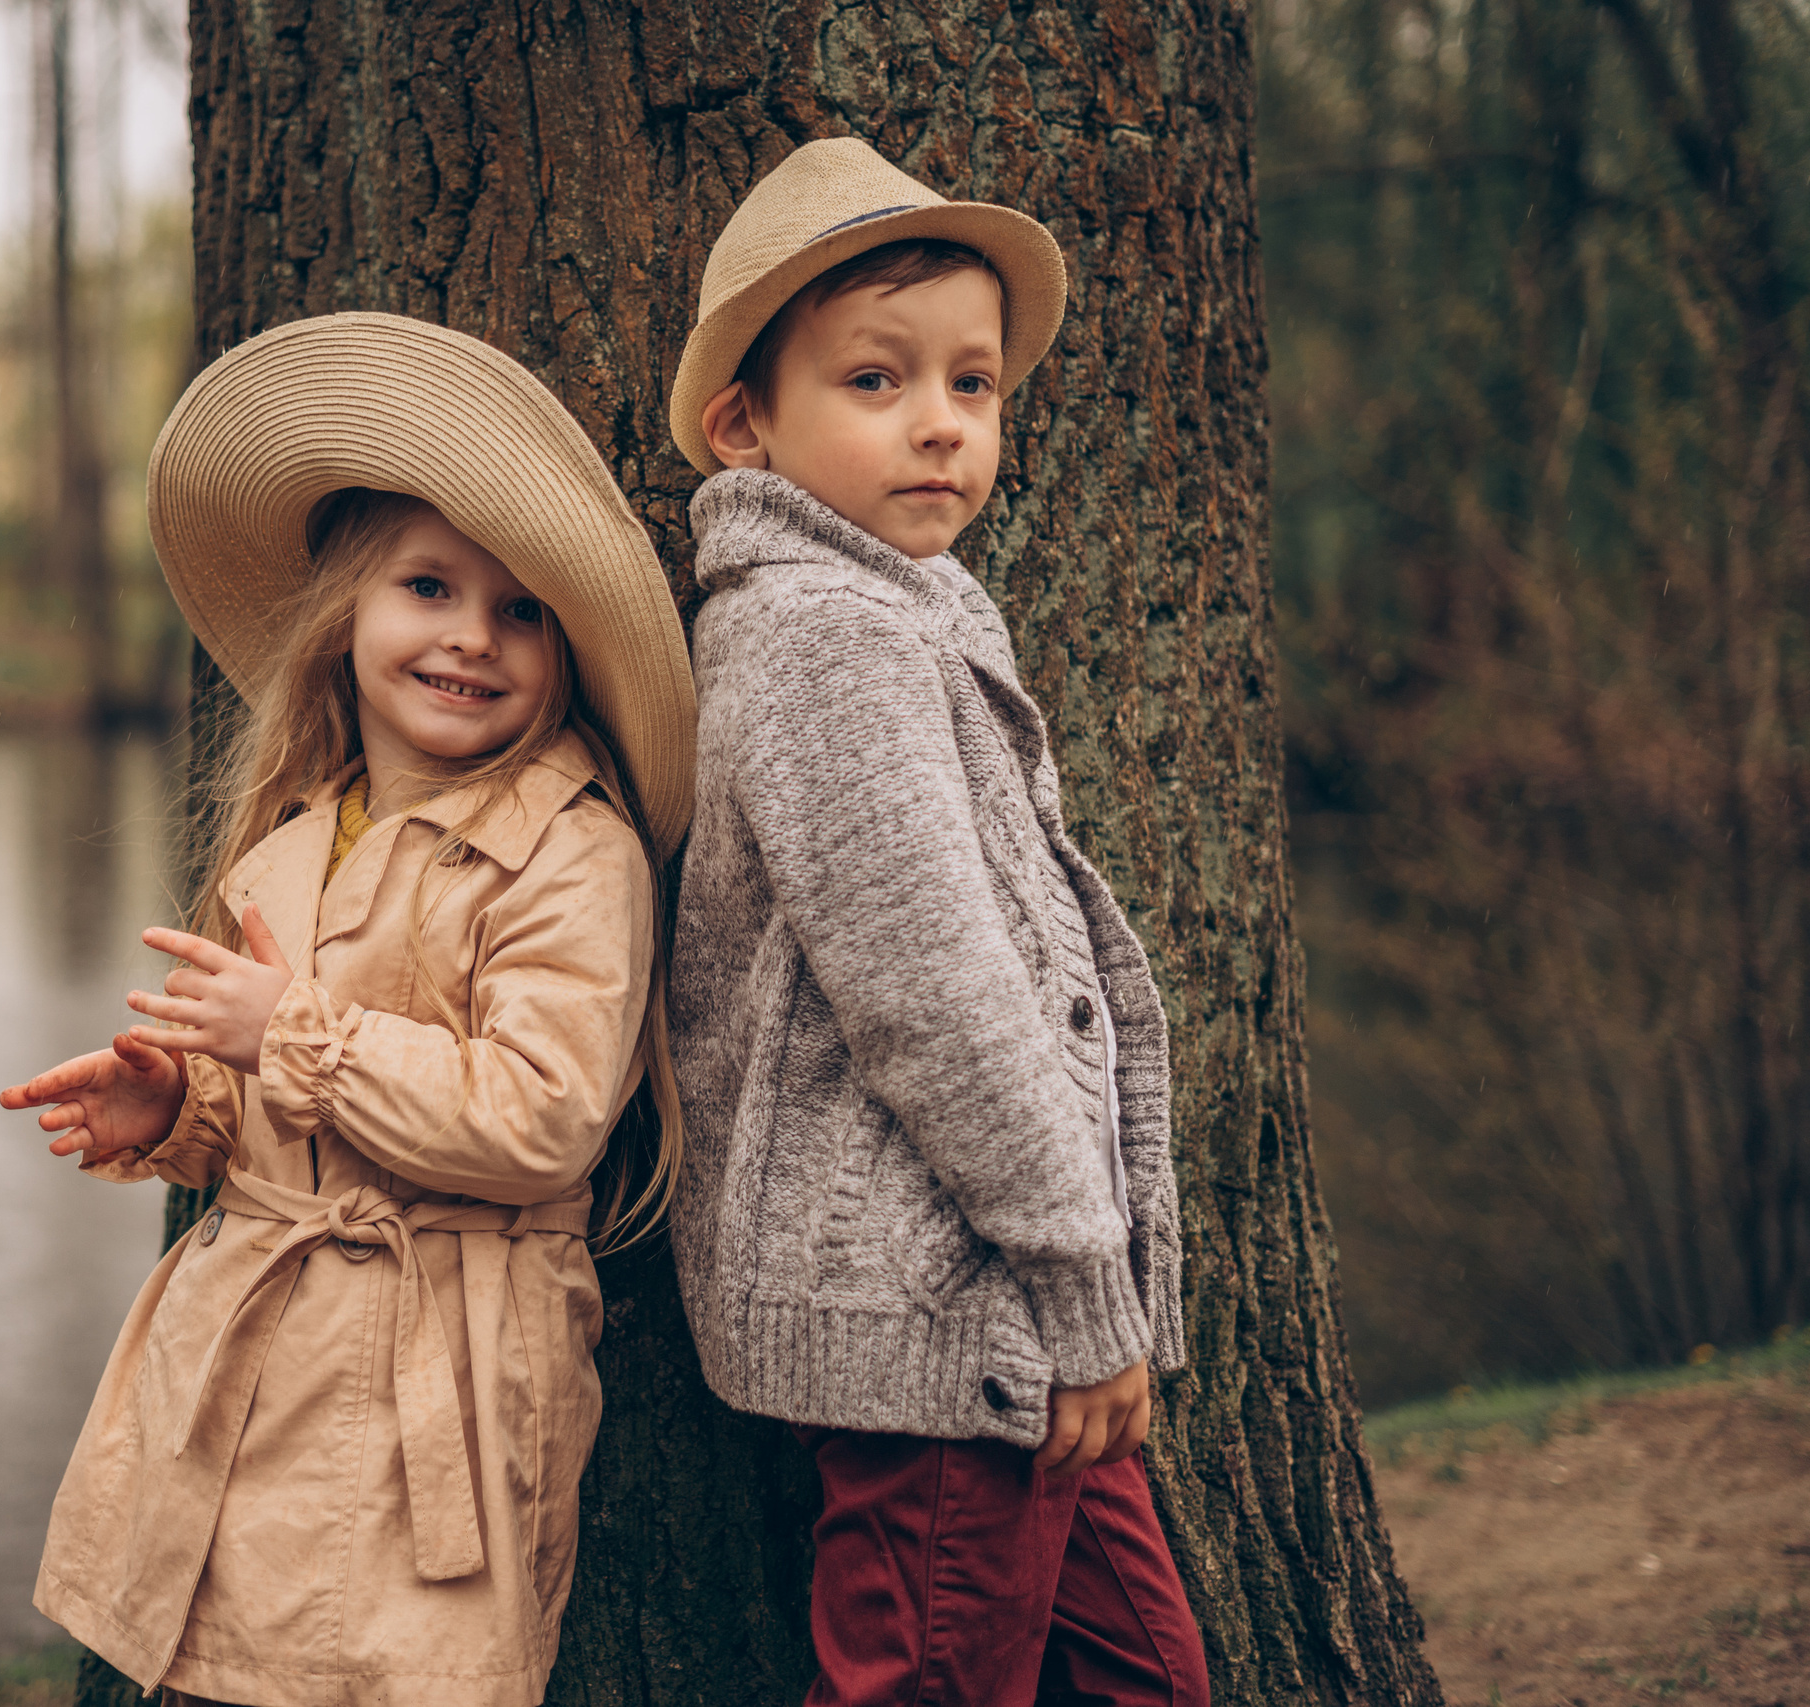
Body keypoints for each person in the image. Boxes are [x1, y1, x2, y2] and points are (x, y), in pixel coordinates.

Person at [0, 312, 696, 1707]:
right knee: (222, 1665)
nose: (470, 639)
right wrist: (184, 1105)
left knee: (395, 1669)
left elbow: (545, 1119)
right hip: (258, 1354)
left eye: (520, 611)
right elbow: (277, 1118)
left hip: (444, 1363)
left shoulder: (572, 847)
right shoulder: (288, 844)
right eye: (428, 588)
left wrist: (292, 1038)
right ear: (346, 620)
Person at [663, 137, 1210, 1705]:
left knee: (1146, 1681)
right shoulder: (820, 641)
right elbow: (938, 998)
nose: (939, 425)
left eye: (973, 386)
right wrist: (1084, 1285)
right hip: (940, 1312)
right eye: (877, 380)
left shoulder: (914, 607)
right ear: (744, 424)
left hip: (1006, 1310)